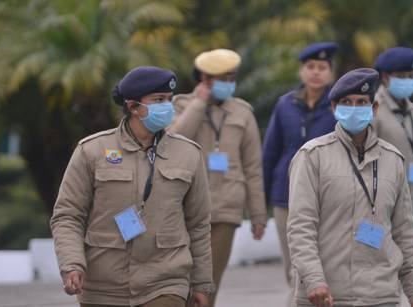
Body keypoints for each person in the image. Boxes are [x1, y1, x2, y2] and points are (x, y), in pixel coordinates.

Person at [50, 66, 214, 307]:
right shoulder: (92, 151)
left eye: (169, 100)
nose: (167, 107)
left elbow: (198, 224)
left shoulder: (189, 153)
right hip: (103, 286)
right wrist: (72, 264)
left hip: (165, 281)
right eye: (158, 100)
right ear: (133, 106)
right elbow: (68, 215)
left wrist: (201, 284)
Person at [287, 68, 413, 307]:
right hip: (327, 294)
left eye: (362, 102)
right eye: (347, 102)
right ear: (334, 108)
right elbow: (301, 226)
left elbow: (404, 231)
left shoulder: (393, 160)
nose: (354, 108)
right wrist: (314, 280)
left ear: (374, 109)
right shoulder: (312, 156)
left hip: (380, 295)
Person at [169, 49, 267, 307]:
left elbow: (253, 166)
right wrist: (198, 104)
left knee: (208, 286)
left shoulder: (243, 112)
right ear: (204, 78)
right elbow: (174, 141)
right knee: (178, 281)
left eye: (231, 77)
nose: (227, 83)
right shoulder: (180, 105)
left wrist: (257, 214)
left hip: (225, 208)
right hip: (185, 207)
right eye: (220, 78)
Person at [262, 42, 338, 288]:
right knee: (293, 268)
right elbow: (270, 151)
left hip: (326, 196)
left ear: (331, 73)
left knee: (322, 266)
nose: (316, 72)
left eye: (322, 67)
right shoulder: (285, 104)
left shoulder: (339, 106)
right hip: (286, 195)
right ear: (301, 71)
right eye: (310, 66)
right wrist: (263, 199)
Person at [373, 47, 413, 232]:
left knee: (407, 259)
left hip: (411, 206)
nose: (408, 81)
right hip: (379, 206)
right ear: (385, 77)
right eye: (402, 76)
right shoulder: (373, 110)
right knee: (372, 256)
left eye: (412, 76)